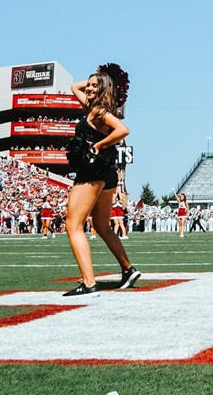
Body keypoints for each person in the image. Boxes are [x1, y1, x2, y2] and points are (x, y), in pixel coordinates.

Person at [63, 64, 140, 296]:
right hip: (107, 173)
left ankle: (88, 283)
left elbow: (123, 130)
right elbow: (73, 86)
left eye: (94, 86)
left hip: (92, 172)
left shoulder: (100, 112)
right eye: (89, 85)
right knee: (102, 226)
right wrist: (96, 80)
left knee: (73, 225)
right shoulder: (92, 106)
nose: (88, 88)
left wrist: (98, 145)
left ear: (103, 89)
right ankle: (128, 270)